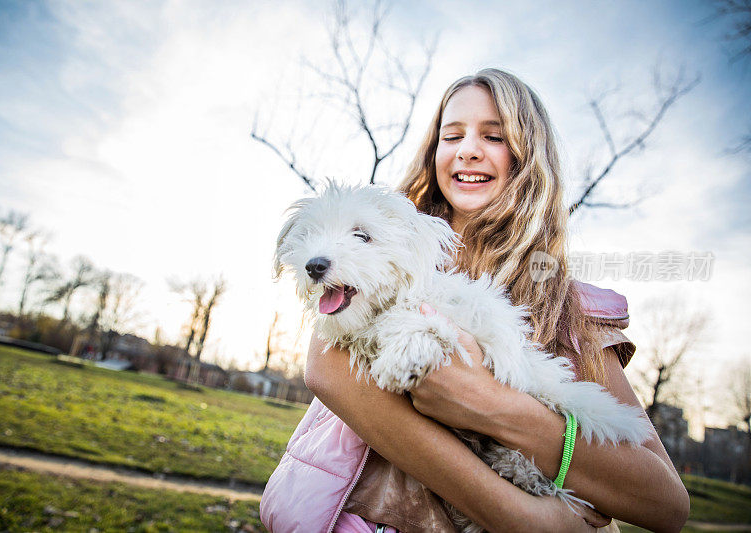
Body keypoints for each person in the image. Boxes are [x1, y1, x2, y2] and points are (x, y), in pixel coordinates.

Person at [260, 69, 690, 533]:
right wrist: (524, 517)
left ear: (529, 157)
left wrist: (491, 403)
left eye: (494, 135)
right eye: (452, 135)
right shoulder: (383, 250)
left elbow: (665, 505)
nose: (467, 149)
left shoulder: (569, 310)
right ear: (435, 153)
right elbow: (327, 371)